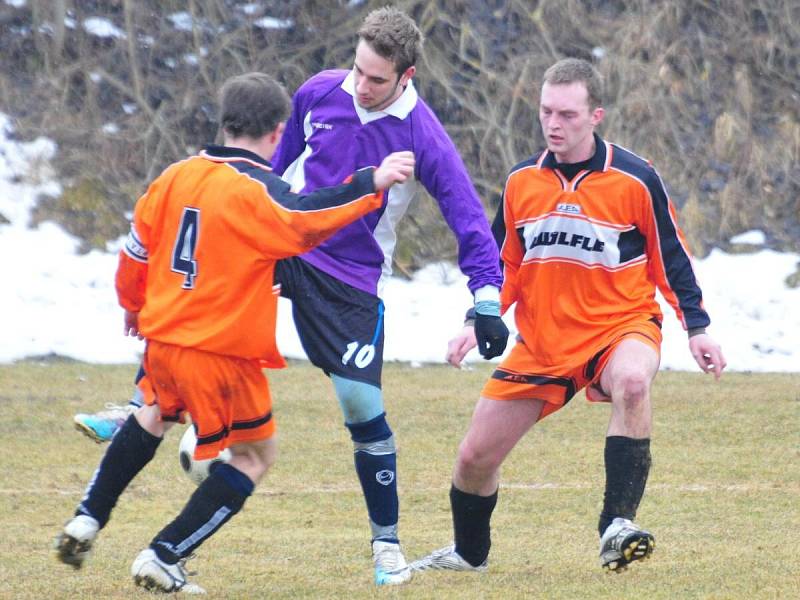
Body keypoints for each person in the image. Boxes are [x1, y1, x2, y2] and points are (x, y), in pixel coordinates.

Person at [71, 6, 508, 586]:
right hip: (287, 245)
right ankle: (142, 403)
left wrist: (485, 298)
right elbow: (263, 175)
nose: (361, 84)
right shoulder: (318, 92)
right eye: (358, 69)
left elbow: (468, 218)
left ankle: (386, 547)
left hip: (349, 278)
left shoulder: (421, 132)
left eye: (377, 78)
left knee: (362, 408)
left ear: (407, 75)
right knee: (198, 293)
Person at [54, 71, 415, 593]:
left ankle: (87, 518)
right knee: (253, 457)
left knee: (151, 415)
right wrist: (370, 184)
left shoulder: (174, 176)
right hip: (221, 351)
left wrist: (133, 306)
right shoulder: (260, 191)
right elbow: (306, 219)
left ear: (224, 124)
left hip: (163, 340)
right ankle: (165, 554)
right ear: (276, 132)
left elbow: (135, 251)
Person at [410, 57, 726, 575]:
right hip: (544, 344)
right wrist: (478, 318)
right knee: (474, 459)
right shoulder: (520, 184)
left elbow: (672, 257)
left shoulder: (635, 179)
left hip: (620, 326)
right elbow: (502, 264)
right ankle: (469, 555)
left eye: (568, 114)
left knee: (631, 383)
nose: (554, 124)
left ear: (595, 115)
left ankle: (616, 525)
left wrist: (698, 327)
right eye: (545, 112)